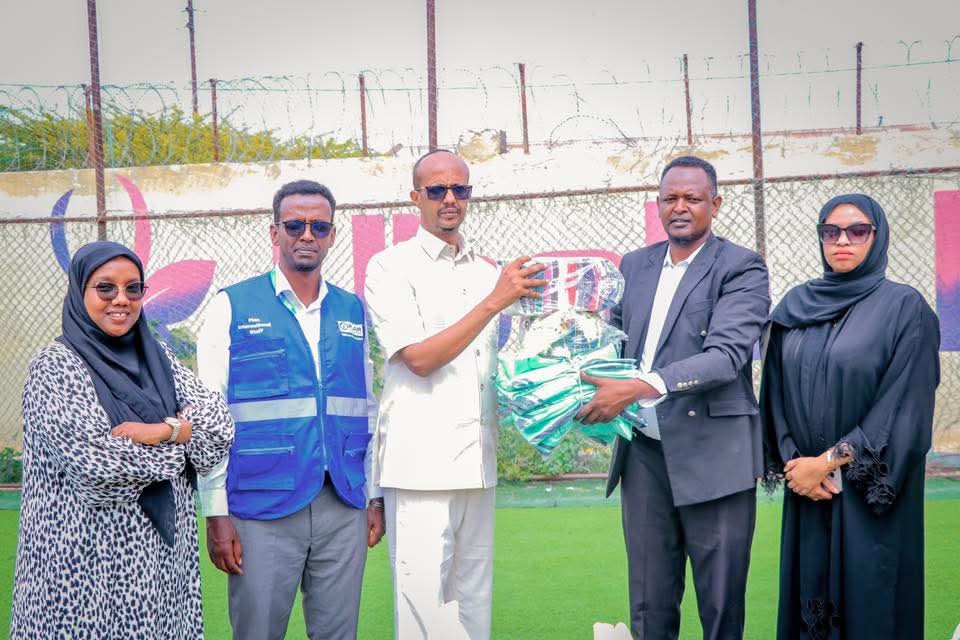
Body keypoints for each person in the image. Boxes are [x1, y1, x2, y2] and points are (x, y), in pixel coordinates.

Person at [578, 155, 771, 640]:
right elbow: (613, 343)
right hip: (644, 456)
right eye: (670, 198)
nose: (680, 207)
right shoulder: (635, 266)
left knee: (721, 605)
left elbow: (726, 356)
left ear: (715, 204)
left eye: (692, 198)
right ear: (657, 204)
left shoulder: (741, 267)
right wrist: (564, 370)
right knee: (649, 603)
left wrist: (641, 387)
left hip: (714, 456)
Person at [364, 149, 546, 640]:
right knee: (424, 612)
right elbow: (419, 360)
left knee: (473, 606)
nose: (449, 199)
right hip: (421, 467)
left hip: (477, 466)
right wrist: (495, 302)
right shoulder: (389, 267)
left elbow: (495, 369)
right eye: (437, 190)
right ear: (415, 198)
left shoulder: (487, 271)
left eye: (460, 190)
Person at [10, 241, 234, 640]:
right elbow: (98, 468)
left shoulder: (157, 357)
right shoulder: (54, 368)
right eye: (105, 288)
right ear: (80, 292)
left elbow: (220, 425)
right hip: (81, 568)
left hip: (163, 568)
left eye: (133, 288)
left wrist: (159, 433)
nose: (121, 300)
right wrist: (184, 440)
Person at [196, 180, 382, 640]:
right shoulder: (232, 306)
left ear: (332, 235)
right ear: (274, 232)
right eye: (295, 224)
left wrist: (373, 494)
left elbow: (366, 408)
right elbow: (208, 416)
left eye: (319, 226)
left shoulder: (352, 310)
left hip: (342, 500)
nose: (306, 235)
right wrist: (216, 512)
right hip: (260, 506)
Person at [760, 194, 940, 640]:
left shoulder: (904, 308)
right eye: (831, 232)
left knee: (869, 604)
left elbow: (903, 407)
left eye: (858, 231)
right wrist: (797, 465)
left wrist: (830, 461)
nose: (843, 240)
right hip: (808, 488)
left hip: (867, 493)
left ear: (876, 237)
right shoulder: (797, 306)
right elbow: (774, 394)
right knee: (810, 601)